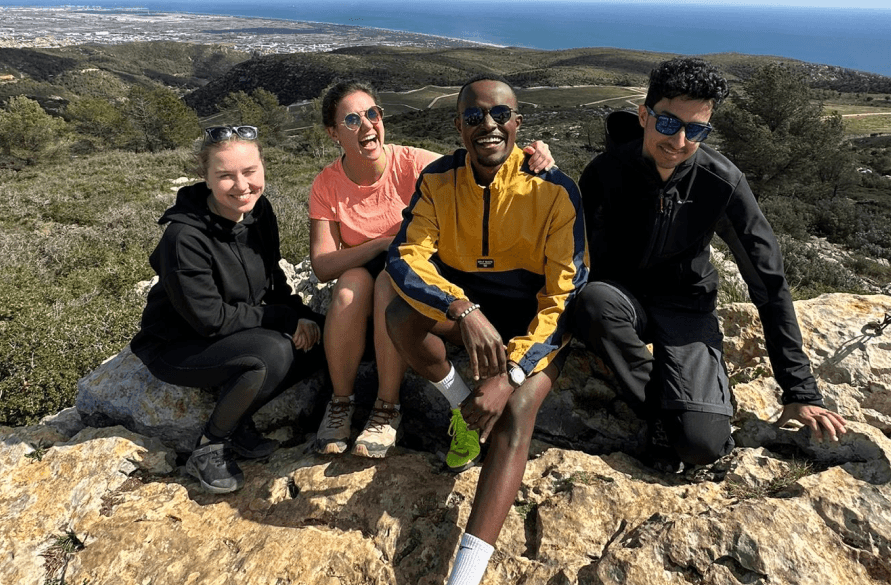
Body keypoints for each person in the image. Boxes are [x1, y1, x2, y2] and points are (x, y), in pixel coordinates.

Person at [571, 57, 847, 473]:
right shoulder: (606, 171)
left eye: (696, 130)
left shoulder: (722, 182)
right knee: (591, 303)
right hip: (621, 297)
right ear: (644, 115)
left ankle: (681, 415)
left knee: (701, 446)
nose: (679, 141)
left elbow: (768, 282)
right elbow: (570, 253)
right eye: (667, 123)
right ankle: (668, 407)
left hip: (686, 306)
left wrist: (799, 389)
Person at [385, 75, 588, 585]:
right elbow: (406, 258)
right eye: (474, 117)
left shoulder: (556, 190)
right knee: (399, 318)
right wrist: (462, 308)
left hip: (531, 324)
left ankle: (465, 576)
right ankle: (464, 410)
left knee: (517, 411)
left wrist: (514, 372)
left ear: (518, 123)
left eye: (500, 115)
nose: (488, 126)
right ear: (458, 126)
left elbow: (565, 296)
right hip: (471, 313)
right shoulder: (437, 180)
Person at [308, 80, 555, 463]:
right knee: (348, 286)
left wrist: (535, 153)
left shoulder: (413, 163)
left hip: (406, 279)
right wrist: (381, 243)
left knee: (392, 282)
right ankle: (341, 403)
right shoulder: (326, 183)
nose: (367, 126)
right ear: (333, 132)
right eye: (352, 120)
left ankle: (386, 409)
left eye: (372, 114)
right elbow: (323, 265)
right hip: (364, 269)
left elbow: (480, 156)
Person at [130, 125, 324, 494]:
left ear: (263, 167)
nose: (241, 185)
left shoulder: (259, 212)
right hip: (179, 346)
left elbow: (274, 282)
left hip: (235, 331)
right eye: (225, 176)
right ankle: (210, 445)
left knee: (330, 336)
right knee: (272, 352)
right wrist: (282, 320)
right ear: (206, 178)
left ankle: (238, 415)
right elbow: (209, 319)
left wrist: (302, 316)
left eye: (250, 172)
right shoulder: (184, 238)